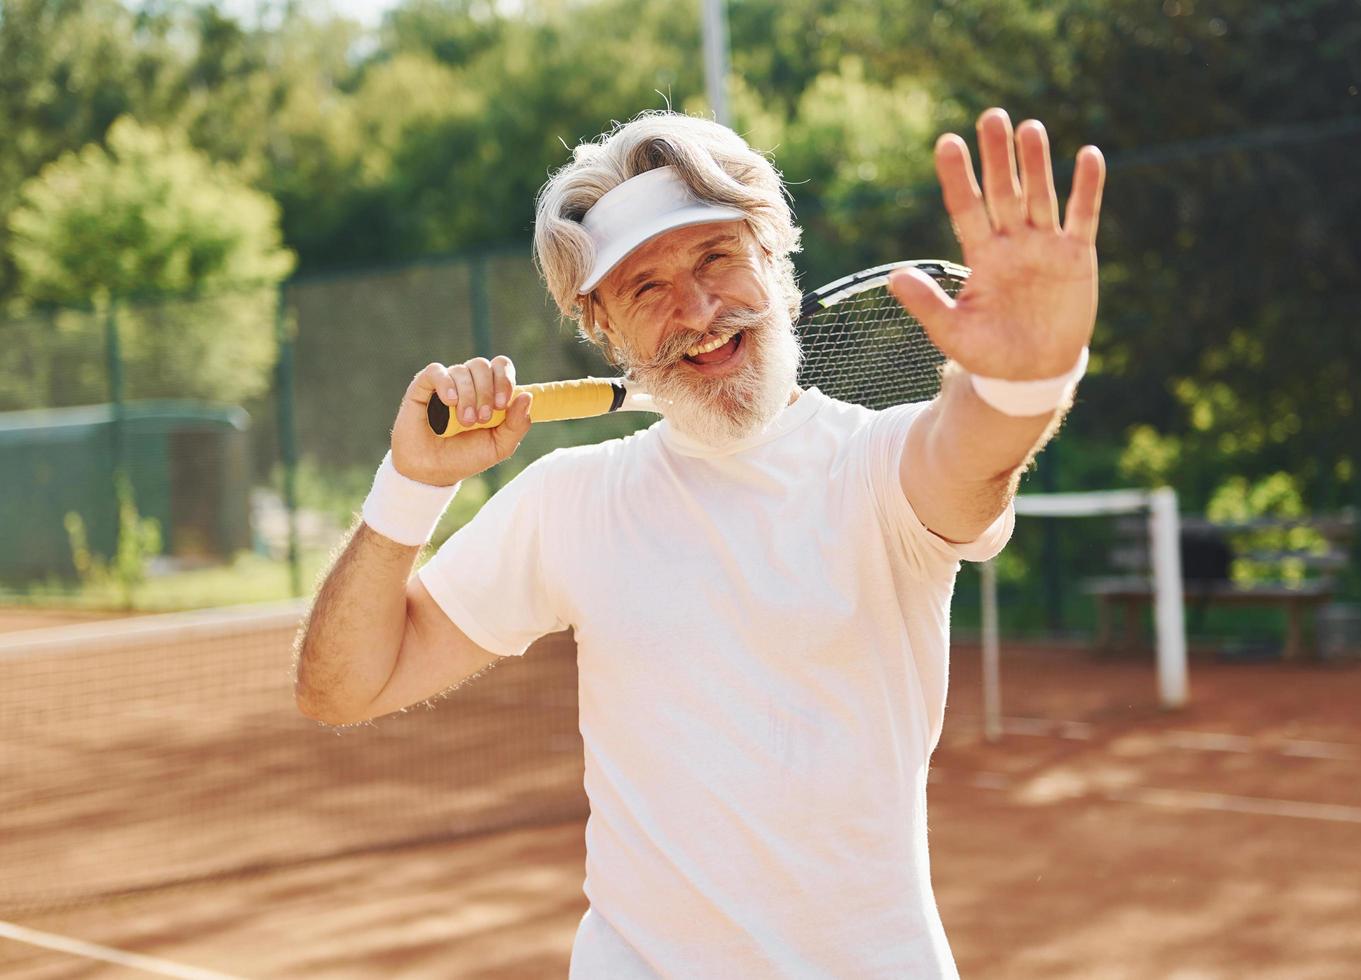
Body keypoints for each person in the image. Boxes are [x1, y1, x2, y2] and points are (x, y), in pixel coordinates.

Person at [295, 106, 1104, 978]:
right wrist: (411, 486)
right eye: (645, 288)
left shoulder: (881, 469)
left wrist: (1025, 381)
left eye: (717, 257)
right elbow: (343, 686)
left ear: (777, 265)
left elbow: (974, 453)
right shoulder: (573, 501)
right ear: (603, 329)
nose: (696, 309)